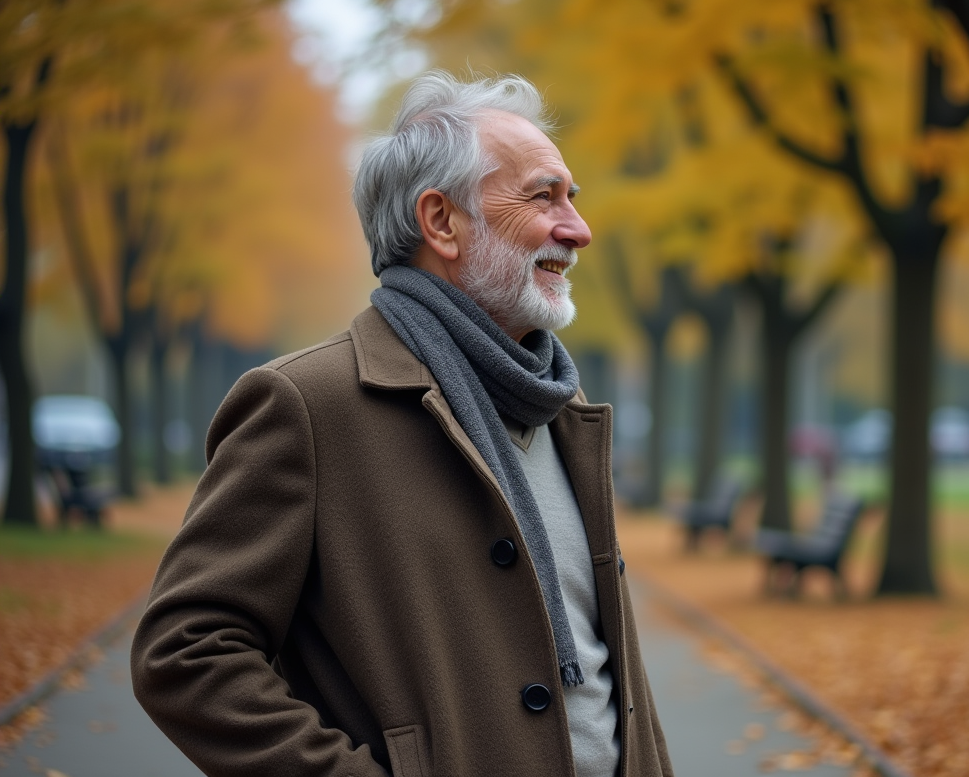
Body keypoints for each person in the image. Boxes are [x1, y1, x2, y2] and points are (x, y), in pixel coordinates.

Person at [131, 71, 674, 777]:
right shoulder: (306, 405)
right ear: (440, 221)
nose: (578, 229)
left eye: (572, 198)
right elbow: (186, 653)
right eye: (544, 196)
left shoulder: (562, 410)